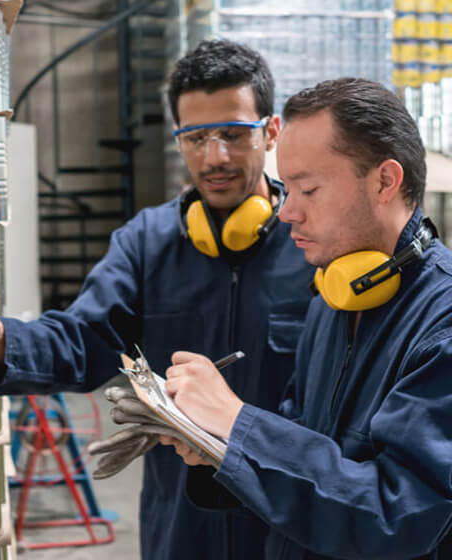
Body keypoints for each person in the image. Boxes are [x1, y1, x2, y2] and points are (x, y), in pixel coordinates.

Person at [0, 39, 314, 560]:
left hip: (289, 518)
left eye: (234, 135)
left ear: (270, 131)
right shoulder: (148, 242)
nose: (215, 156)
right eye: (196, 137)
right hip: (182, 523)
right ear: (178, 141)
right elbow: (83, 341)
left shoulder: (311, 243)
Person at [163, 77, 452, 559]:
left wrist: (237, 421)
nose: (286, 212)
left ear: (385, 181)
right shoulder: (332, 300)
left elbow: (398, 515)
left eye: (308, 189)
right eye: (287, 187)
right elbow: (301, 444)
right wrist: (219, 450)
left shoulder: (441, 328)